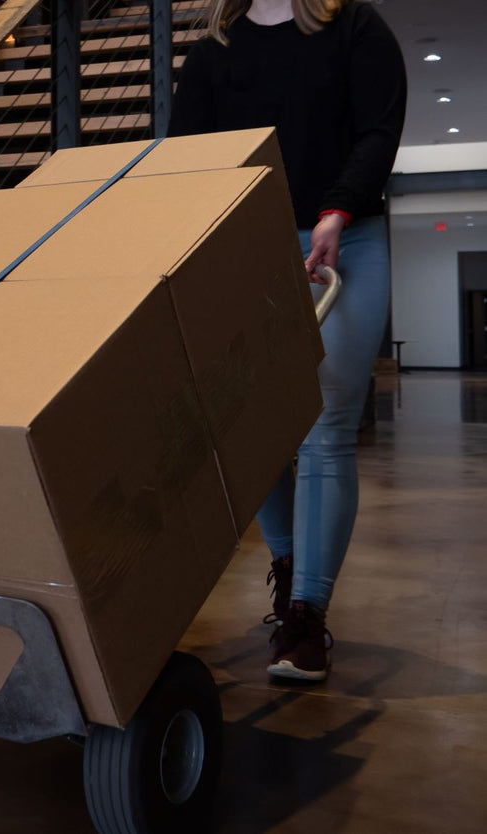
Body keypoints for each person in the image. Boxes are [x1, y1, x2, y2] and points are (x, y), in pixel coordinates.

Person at [168, 0, 406, 681]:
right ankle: (288, 569)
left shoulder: (354, 26)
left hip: (344, 241)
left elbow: (379, 131)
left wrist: (337, 209)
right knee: (253, 428)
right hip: (250, 249)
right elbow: (190, 159)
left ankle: (306, 617)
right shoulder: (213, 50)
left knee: (325, 424)